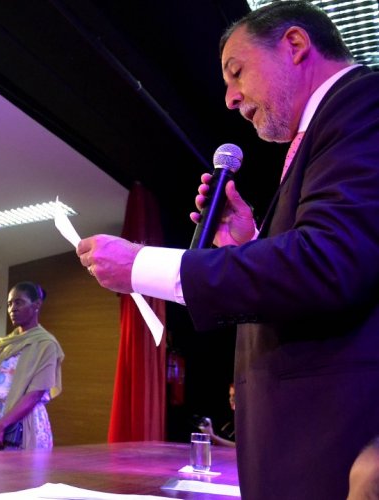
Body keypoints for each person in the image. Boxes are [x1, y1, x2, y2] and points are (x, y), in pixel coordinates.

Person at [75, 2, 379, 498]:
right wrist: (250, 243)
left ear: (296, 45)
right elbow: (317, 271)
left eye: (236, 73)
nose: (230, 99)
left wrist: (139, 264)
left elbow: (329, 263)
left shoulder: (362, 103)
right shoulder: (323, 131)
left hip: (336, 446)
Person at [0, 282, 63, 451]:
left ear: (36, 305)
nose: (12, 308)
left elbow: (35, 394)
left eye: (18, 302)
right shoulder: (4, 344)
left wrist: (2, 425)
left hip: (26, 423)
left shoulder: (46, 344)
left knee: (23, 476)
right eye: (9, 304)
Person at [198, 383, 235, 448]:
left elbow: (242, 448)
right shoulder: (229, 422)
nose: (231, 399)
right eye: (230, 395)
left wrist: (212, 436)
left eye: (234, 396)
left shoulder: (251, 421)